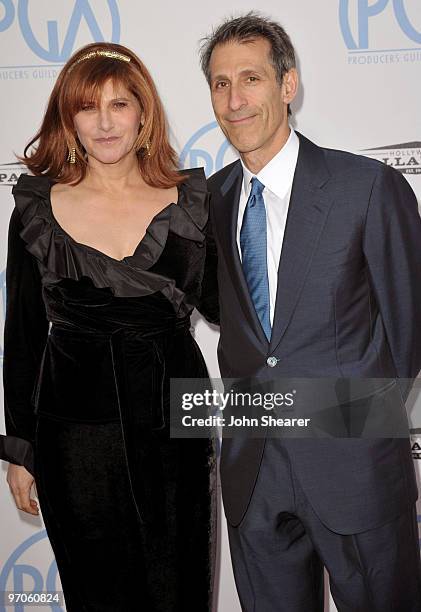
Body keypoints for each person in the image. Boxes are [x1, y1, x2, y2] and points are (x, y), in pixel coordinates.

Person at [200, 12, 421, 611]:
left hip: (354, 470)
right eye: (220, 84)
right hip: (254, 476)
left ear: (288, 85)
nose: (235, 99)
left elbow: (408, 334)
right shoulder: (208, 200)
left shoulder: (368, 187)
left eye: (251, 78)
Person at [0, 41, 218, 611]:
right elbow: (21, 335)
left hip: (177, 418)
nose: (104, 121)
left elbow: (234, 313)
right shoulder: (35, 210)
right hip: (74, 433)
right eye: (88, 106)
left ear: (144, 113)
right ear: (68, 118)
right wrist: (19, 449)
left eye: (120, 104)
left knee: (181, 585)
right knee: (97, 590)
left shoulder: (194, 203)